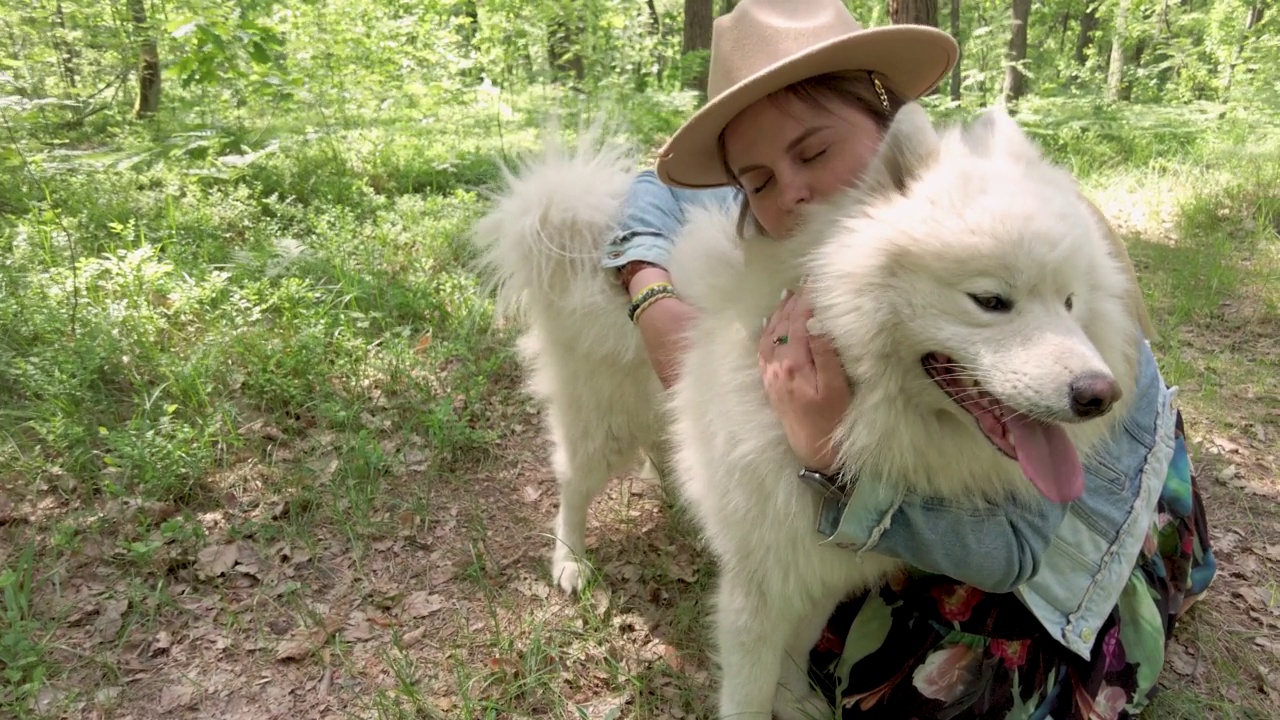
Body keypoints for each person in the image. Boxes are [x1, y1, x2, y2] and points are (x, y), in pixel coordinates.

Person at [599, 0, 1218, 717]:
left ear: (895, 134)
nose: (790, 191)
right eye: (758, 180)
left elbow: (1016, 548)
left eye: (814, 151)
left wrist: (827, 455)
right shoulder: (851, 236)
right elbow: (658, 187)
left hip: (1078, 543)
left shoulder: (1006, 222)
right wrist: (645, 280)